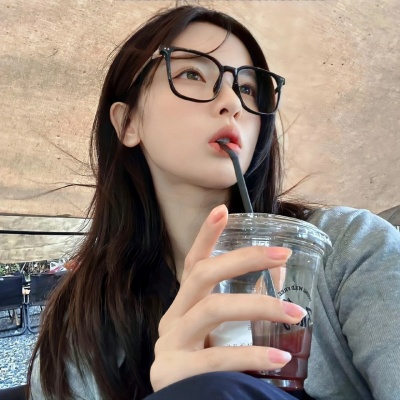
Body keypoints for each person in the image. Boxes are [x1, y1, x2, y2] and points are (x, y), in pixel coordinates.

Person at [27, 4, 400, 400]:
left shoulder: (351, 249)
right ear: (127, 122)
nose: (232, 102)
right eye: (192, 73)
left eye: (247, 88)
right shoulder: (79, 321)